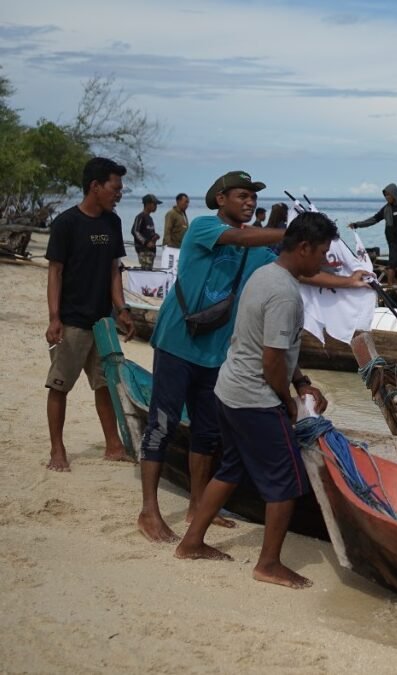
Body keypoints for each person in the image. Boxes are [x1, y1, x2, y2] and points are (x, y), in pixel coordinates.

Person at [136, 170, 368, 543]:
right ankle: (149, 510)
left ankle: (198, 504)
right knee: (161, 424)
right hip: (177, 342)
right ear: (221, 199)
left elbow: (300, 269)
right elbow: (252, 239)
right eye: (241, 195)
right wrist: (299, 235)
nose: (249, 202)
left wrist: (349, 280)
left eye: (253, 197)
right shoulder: (203, 229)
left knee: (207, 434)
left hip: (215, 355)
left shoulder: (259, 252)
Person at [175, 212, 339, 589]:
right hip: (255, 398)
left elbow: (271, 348)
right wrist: (290, 402)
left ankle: (191, 542)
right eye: (322, 253)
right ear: (303, 248)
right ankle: (268, 564)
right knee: (287, 482)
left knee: (230, 467)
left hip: (228, 389)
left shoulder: (263, 274)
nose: (324, 262)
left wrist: (301, 381)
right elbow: (271, 361)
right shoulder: (283, 292)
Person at [43, 156, 136, 471]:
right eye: (115, 187)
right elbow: (55, 272)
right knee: (59, 386)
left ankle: (113, 445)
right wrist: (55, 318)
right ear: (95, 186)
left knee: (105, 385)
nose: (119, 193)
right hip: (72, 322)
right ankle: (58, 450)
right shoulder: (66, 223)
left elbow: (113, 270)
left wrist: (121, 309)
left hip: (103, 322)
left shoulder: (113, 222)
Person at [348, 183, 397, 285]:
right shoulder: (386, 209)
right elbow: (374, 219)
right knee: (392, 265)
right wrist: (357, 224)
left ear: (394, 194)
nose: (387, 197)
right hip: (393, 241)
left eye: (388, 195)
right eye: (385, 196)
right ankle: (389, 286)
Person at [131, 194, 162, 269]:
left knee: (149, 270)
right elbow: (135, 231)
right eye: (154, 204)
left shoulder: (150, 218)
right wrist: (146, 242)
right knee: (146, 271)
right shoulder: (140, 217)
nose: (156, 207)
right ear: (147, 204)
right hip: (143, 251)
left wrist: (155, 236)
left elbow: (148, 232)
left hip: (151, 251)